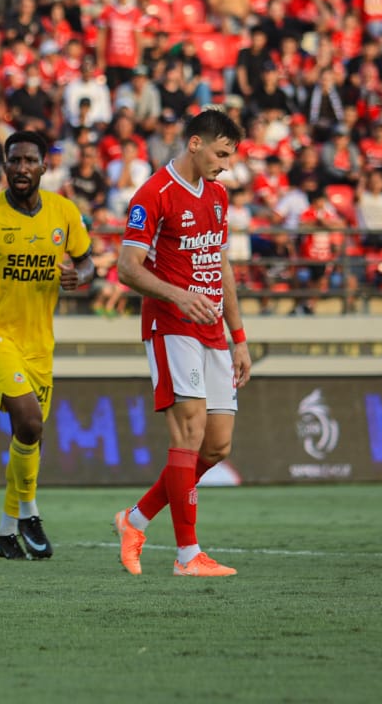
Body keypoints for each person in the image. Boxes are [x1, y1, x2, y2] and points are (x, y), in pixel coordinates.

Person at [0, 130, 95, 561]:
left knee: (30, 435)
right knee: (28, 422)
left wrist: (80, 276)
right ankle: (29, 511)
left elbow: (88, 261)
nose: (22, 168)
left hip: (39, 341)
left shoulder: (64, 213)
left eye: (30, 161)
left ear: (45, 166)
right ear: (4, 166)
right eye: (14, 161)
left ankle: (6, 531)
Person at [112, 110, 252, 578]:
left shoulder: (217, 195)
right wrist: (179, 295)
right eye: (221, 153)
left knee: (217, 447)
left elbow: (222, 266)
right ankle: (188, 555)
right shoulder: (153, 195)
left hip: (213, 328)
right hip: (171, 326)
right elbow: (127, 267)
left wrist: (240, 337)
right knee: (188, 434)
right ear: (195, 143)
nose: (227, 165)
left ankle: (134, 520)